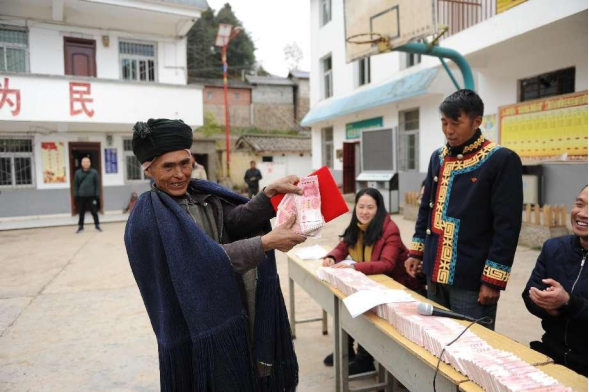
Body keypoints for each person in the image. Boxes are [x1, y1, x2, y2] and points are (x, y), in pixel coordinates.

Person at [124, 118, 305, 391]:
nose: (179, 174)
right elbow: (199, 262)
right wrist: (265, 243)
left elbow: (234, 221)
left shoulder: (203, 195)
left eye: (185, 164)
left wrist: (268, 195)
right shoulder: (148, 217)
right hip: (193, 323)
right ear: (149, 170)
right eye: (168, 166)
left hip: (232, 306)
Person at [405, 89, 523, 330]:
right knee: (435, 340)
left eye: (455, 123)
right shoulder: (437, 157)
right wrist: (417, 252)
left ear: (476, 121)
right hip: (434, 271)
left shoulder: (501, 160)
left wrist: (493, 280)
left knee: (472, 348)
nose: (449, 130)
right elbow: (426, 209)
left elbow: (507, 227)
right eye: (444, 123)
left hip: (472, 279)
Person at [322, 188, 424, 374]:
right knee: (344, 302)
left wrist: (354, 267)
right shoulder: (357, 225)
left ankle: (364, 359)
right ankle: (348, 351)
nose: (364, 211)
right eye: (360, 207)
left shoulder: (389, 229)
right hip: (375, 285)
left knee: (364, 313)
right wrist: (332, 257)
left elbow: (386, 264)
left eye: (370, 207)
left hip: (400, 289)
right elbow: (344, 245)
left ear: (379, 209)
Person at [522, 185, 587, 376]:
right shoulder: (553, 247)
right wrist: (549, 306)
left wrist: (569, 302)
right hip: (552, 355)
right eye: (579, 204)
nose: (582, 214)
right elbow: (528, 294)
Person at [73, 157, 101, 233]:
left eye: (87, 162)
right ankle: (80, 226)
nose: (86, 163)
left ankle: (97, 225)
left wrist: (97, 195)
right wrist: (76, 195)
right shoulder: (77, 173)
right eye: (84, 162)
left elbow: (97, 184)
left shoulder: (94, 172)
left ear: (90, 163)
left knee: (94, 211)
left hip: (92, 196)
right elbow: (75, 185)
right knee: (81, 212)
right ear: (82, 164)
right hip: (81, 196)